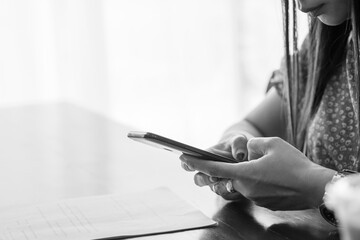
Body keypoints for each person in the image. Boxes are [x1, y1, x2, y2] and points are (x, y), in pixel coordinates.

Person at [180, 0, 360, 214]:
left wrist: (314, 185)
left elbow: (311, 183)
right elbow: (254, 125)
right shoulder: (330, 42)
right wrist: (239, 149)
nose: (300, 6)